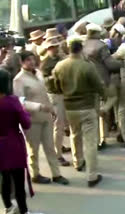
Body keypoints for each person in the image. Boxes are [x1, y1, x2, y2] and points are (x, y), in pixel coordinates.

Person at [53, 36, 105, 187]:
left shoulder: (60, 66)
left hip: (70, 107)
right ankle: (92, 175)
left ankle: (78, 162)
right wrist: (104, 96)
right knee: (90, 141)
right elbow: (98, 85)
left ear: (68, 50)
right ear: (81, 49)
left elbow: (55, 87)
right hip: (87, 106)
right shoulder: (87, 66)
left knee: (75, 135)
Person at [13, 51, 69, 185]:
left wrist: (51, 108)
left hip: (46, 116)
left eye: (32, 59)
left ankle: (56, 174)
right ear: (21, 62)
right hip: (32, 119)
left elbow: (45, 92)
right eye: (27, 60)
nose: (31, 62)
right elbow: (20, 102)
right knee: (34, 149)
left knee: (50, 147)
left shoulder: (38, 73)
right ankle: (35, 174)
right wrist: (39, 107)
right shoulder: (18, 80)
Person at [0, 69, 38, 214]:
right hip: (13, 144)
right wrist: (23, 110)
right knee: (18, 181)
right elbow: (26, 123)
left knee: (4, 179)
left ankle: (8, 207)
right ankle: (23, 211)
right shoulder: (12, 102)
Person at [83, 23, 121, 150]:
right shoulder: (101, 46)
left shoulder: (82, 45)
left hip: (87, 81)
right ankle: (102, 138)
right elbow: (110, 64)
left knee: (92, 110)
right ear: (96, 33)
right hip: (102, 80)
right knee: (110, 100)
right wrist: (121, 64)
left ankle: (95, 139)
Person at [40, 38, 70, 167]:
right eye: (53, 47)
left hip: (61, 94)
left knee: (61, 125)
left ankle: (59, 149)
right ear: (48, 48)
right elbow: (47, 82)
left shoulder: (57, 58)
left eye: (56, 46)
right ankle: (57, 155)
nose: (56, 48)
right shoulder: (46, 63)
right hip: (55, 95)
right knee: (58, 125)